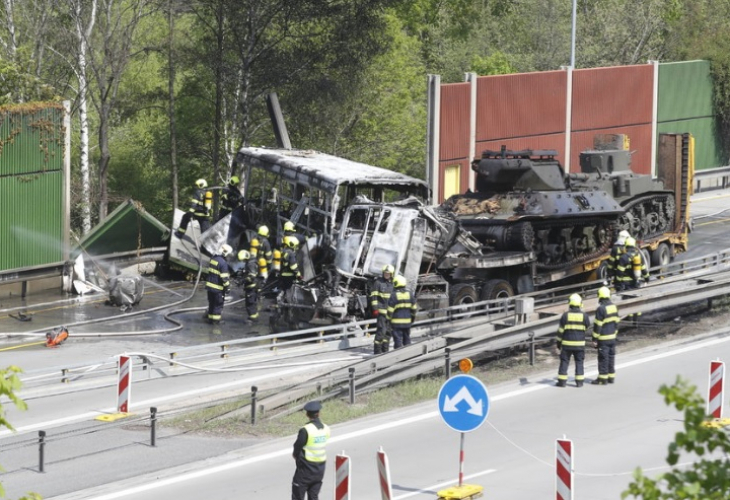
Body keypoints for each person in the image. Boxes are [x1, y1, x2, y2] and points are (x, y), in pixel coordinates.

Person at [292, 400, 330, 500]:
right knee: (313, 496)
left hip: (305, 469)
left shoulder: (306, 430)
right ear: (319, 413)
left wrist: (296, 456)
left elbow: (297, 447)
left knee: (297, 495)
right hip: (320, 470)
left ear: (307, 414)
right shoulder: (326, 428)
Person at [555, 293, 590, 387]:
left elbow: (560, 332)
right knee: (579, 362)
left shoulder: (565, 315)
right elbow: (587, 327)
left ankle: (562, 382)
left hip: (566, 344)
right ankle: (579, 382)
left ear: (570, 303)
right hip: (580, 344)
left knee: (564, 362)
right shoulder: (584, 315)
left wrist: (558, 344)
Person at [591, 286, 620, 385]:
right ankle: (611, 377)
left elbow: (597, 325)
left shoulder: (601, 309)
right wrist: (615, 334)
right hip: (612, 337)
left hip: (603, 339)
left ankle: (602, 379)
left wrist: (594, 338)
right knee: (611, 357)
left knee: (603, 358)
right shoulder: (613, 306)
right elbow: (616, 322)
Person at [387, 275, 418, 349]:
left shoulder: (394, 295)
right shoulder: (409, 294)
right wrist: (412, 319)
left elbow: (390, 311)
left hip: (396, 323)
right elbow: (414, 309)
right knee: (407, 339)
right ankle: (407, 355)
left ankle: (398, 357)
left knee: (398, 341)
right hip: (407, 322)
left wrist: (388, 320)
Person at [370, 264, 394, 354]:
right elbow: (374, 296)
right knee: (381, 331)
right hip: (381, 312)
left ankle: (385, 350)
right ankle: (377, 351)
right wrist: (375, 308)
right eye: (385, 273)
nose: (386, 275)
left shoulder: (393, 284)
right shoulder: (378, 283)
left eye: (388, 273)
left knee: (388, 332)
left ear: (391, 274)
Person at [205, 244, 232, 324]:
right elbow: (224, 278)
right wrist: (227, 288)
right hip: (218, 289)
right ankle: (216, 321)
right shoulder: (223, 263)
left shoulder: (213, 259)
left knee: (211, 304)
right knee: (218, 305)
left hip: (209, 287)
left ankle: (210, 320)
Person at [237, 249, 262, 323]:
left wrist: (242, 280)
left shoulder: (250, 264)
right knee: (252, 303)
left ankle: (252, 319)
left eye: (243, 260)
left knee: (250, 303)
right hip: (253, 286)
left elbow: (252, 276)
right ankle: (254, 317)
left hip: (251, 287)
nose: (243, 261)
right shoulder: (250, 262)